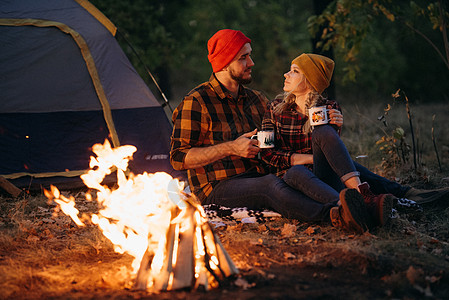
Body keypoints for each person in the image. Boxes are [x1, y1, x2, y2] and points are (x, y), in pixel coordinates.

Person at [170, 29, 370, 233]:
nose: (251, 63)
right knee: (270, 185)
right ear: (224, 62)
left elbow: (283, 142)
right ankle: (340, 213)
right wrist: (231, 148)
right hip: (218, 185)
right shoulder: (196, 102)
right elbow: (178, 157)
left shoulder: (257, 100)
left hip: (264, 172)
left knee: (327, 167)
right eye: (244, 58)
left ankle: (382, 195)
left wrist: (330, 128)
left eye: (250, 55)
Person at [260, 53, 449, 229]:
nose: (286, 74)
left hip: (325, 179)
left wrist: (334, 128)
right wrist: (311, 159)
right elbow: (266, 152)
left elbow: (333, 154)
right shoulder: (274, 108)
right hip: (292, 181)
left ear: (310, 80)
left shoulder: (329, 108)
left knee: (324, 132)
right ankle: (380, 198)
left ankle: (369, 197)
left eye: (294, 71)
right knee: (297, 171)